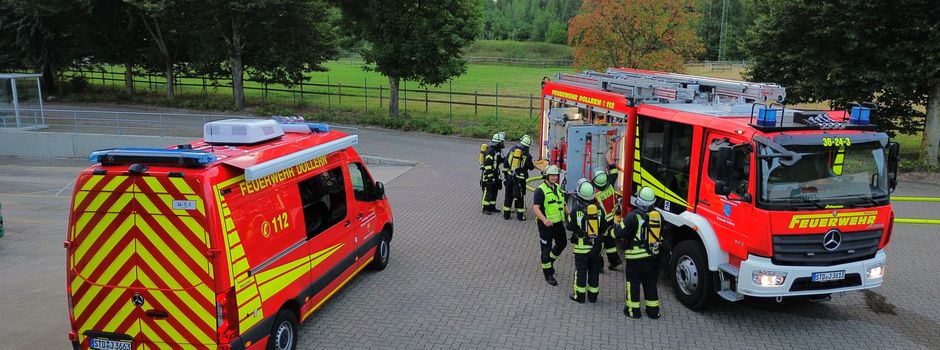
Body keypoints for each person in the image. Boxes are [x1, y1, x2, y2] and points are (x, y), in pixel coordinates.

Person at [614, 187, 663, 319]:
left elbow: (619, 233)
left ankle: (632, 311)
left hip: (635, 259)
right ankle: (653, 311)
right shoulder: (658, 216)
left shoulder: (631, 217)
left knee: (633, 283)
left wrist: (616, 222)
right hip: (653, 257)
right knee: (651, 283)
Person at [566, 179, 602, 303]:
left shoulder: (576, 209)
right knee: (594, 272)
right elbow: (604, 227)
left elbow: (570, 226)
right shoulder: (599, 209)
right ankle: (593, 297)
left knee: (581, 272)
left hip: (581, 248)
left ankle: (579, 296)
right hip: (595, 248)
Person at [532, 165, 566, 286]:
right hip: (546, 226)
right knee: (545, 250)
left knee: (562, 243)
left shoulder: (557, 187)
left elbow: (562, 203)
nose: (554, 177)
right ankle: (548, 273)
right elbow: (535, 208)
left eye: (556, 175)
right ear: (547, 176)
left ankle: (550, 261)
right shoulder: (540, 190)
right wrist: (545, 220)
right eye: (552, 175)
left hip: (558, 224)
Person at [592, 155, 623, 272]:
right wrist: (609, 158)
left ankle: (599, 266)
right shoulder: (610, 184)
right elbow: (614, 171)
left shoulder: (596, 195)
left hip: (603, 222)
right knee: (610, 241)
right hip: (614, 218)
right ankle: (614, 261)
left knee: (598, 242)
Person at [502, 135, 535, 220]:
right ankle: (520, 216)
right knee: (520, 197)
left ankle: (506, 215)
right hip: (520, 180)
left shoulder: (512, 150)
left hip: (510, 177)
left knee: (508, 196)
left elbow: (505, 163)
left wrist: (506, 175)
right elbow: (531, 167)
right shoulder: (527, 155)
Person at [480, 132, 505, 214]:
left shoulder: (497, 150)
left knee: (494, 190)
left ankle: (492, 207)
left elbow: (498, 160)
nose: (502, 144)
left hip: (495, 173)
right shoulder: (490, 151)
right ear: (498, 142)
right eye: (502, 142)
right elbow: (487, 165)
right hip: (488, 175)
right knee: (488, 191)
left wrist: (505, 159)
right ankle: (485, 208)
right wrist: (490, 177)